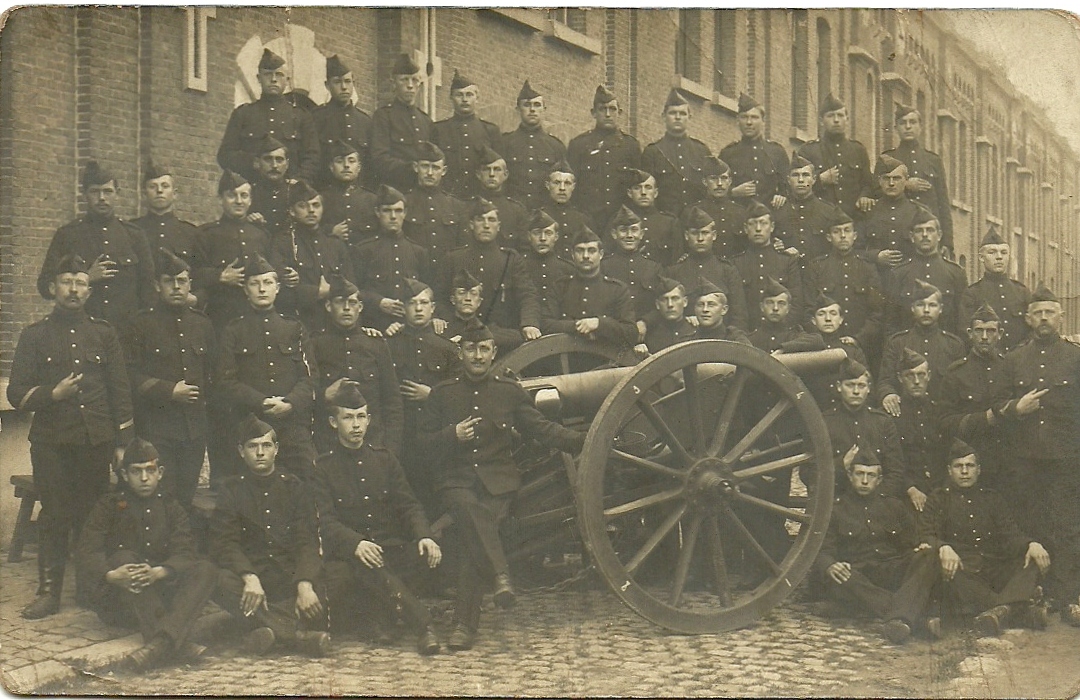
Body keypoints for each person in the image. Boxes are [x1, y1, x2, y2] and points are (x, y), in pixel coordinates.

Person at [418, 320, 585, 650]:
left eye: (484, 349)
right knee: (473, 513)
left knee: (474, 535)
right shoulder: (442, 394)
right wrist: (451, 435)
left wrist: (584, 440)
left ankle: (464, 626)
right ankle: (500, 576)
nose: (477, 356)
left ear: (494, 352)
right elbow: (420, 446)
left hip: (498, 484)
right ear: (460, 353)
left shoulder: (508, 391)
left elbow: (541, 429)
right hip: (456, 483)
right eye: (470, 349)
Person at [8, 254, 134, 618]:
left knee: (92, 517)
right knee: (54, 515)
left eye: (81, 283)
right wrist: (53, 394)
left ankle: (89, 588)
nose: (74, 289)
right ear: (53, 288)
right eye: (67, 282)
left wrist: (123, 443)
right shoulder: (34, 335)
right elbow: (16, 393)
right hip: (52, 442)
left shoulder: (104, 333)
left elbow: (119, 390)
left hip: (95, 440)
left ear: (89, 291)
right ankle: (49, 592)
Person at [314, 382, 442, 655]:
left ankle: (381, 619)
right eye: (348, 417)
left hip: (389, 549)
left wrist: (424, 535)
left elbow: (409, 505)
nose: (356, 425)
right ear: (333, 422)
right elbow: (324, 520)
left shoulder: (385, 460)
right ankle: (424, 626)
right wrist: (355, 543)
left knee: (424, 555)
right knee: (365, 564)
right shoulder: (323, 467)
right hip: (352, 554)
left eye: (361, 416)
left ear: (369, 420)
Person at [75, 438, 218, 669]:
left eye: (150, 471)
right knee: (124, 559)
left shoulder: (171, 506)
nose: (144, 478)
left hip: (160, 593)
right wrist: (111, 575)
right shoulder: (108, 506)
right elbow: (87, 551)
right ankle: (174, 641)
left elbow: (185, 551)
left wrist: (160, 572)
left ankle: (160, 644)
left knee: (206, 569)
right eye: (136, 471)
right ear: (124, 475)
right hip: (120, 601)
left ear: (160, 473)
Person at [210, 415, 330, 656]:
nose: (260, 453)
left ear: (276, 449)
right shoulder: (231, 491)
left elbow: (307, 541)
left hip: (289, 578)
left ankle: (264, 629)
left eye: (266, 445)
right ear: (241, 451)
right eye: (252, 446)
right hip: (253, 583)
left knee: (332, 578)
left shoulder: (294, 487)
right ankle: (296, 637)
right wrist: (249, 577)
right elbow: (226, 543)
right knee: (216, 578)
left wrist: (304, 584)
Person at [995, 285, 1080, 621]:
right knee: (1029, 524)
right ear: (1028, 319)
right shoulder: (1013, 359)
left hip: (1066, 458)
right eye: (1038, 313)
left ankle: (1068, 597)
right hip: (1025, 458)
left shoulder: (1075, 357)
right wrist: (1016, 408)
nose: (1044, 318)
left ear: (1061, 317)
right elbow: (998, 403)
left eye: (1050, 313)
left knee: (1066, 525)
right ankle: (1032, 596)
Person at [918, 439, 1051, 636]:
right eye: (958, 466)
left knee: (1032, 560)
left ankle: (999, 612)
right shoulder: (938, 499)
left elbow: (1010, 534)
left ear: (978, 470)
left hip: (992, 569)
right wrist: (942, 547)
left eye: (970, 466)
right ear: (949, 470)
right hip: (962, 572)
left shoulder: (992, 498)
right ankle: (1017, 610)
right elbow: (925, 534)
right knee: (942, 571)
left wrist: (1031, 544)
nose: (964, 471)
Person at [123, 248, 216, 509]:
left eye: (182, 281)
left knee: (185, 498)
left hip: (193, 429)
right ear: (157, 285)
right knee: (158, 497)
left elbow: (213, 375)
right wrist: (168, 390)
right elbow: (129, 375)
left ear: (190, 284)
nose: (176, 287)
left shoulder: (202, 324)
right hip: (155, 426)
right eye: (169, 281)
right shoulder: (140, 324)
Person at [816, 446, 938, 644]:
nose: (865, 481)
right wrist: (830, 565)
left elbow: (914, 541)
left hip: (890, 572)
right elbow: (822, 550)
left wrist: (921, 548)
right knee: (842, 579)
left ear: (879, 479)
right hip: (858, 576)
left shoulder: (894, 506)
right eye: (860, 474)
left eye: (871, 475)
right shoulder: (836, 509)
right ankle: (912, 617)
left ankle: (894, 616)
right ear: (850, 476)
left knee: (929, 556)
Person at [216, 254, 318, 480]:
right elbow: (226, 381)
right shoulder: (234, 330)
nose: (262, 289)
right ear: (246, 290)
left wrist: (290, 403)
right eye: (255, 283)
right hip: (251, 425)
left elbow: (310, 377)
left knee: (307, 479)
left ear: (277, 288)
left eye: (268, 282)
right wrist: (261, 402)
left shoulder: (294, 328)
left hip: (292, 424)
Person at [38, 161, 155, 330]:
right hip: (80, 330)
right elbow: (45, 286)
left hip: (125, 332)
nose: (101, 198)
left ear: (117, 194)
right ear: (85, 194)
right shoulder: (68, 234)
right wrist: (86, 278)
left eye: (107, 191)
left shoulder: (134, 235)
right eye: (95, 191)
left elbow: (148, 291)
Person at [384, 278, 460, 511]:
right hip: (402, 433)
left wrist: (432, 395)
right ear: (403, 308)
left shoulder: (447, 347)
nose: (418, 309)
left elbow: (460, 393)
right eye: (412, 303)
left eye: (424, 303)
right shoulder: (388, 344)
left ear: (433, 308)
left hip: (436, 433)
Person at [311, 275, 403, 457]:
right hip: (329, 445)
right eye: (340, 302)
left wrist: (390, 451)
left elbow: (392, 401)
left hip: (374, 442)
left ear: (360, 307)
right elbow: (307, 397)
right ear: (328, 306)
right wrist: (324, 395)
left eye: (352, 303)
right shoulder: (315, 345)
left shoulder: (376, 344)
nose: (346, 308)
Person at [440, 197, 543, 344]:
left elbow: (527, 294)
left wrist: (529, 323)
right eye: (480, 220)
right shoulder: (454, 259)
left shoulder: (510, 259)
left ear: (498, 226)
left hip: (501, 336)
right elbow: (440, 297)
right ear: (471, 224)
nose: (486, 225)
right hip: (460, 335)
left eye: (491, 220)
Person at [217, 48, 319, 183]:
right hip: (253, 188)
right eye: (268, 74)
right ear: (259, 78)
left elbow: (312, 156)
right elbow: (225, 155)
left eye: (279, 75)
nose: (273, 79)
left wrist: (299, 181)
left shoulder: (301, 116)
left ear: (287, 79)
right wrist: (253, 162)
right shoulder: (243, 114)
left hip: (289, 188)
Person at [195, 171, 280, 331]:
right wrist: (219, 276)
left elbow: (274, 271)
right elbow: (193, 273)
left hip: (258, 316)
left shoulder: (261, 234)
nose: (239, 201)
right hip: (221, 315)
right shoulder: (207, 234)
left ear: (250, 200)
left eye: (244, 196)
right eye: (232, 195)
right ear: (220, 199)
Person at [938, 305, 1011, 490]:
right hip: (969, 461)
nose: (984, 337)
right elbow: (944, 422)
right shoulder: (956, 372)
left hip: (1006, 461)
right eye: (979, 330)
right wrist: (984, 419)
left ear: (1000, 334)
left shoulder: (1010, 368)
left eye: (990, 331)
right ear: (970, 333)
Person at [803, 207, 884, 359]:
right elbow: (808, 310)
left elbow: (877, 313)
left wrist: (858, 339)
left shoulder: (867, 267)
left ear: (855, 236)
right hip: (824, 347)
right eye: (836, 231)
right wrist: (823, 341)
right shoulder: (817, 267)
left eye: (847, 231)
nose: (842, 236)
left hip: (861, 346)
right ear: (829, 237)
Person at [274, 180, 356, 327]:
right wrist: (317, 292)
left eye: (316, 205)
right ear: (292, 211)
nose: (311, 210)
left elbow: (351, 288)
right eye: (303, 206)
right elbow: (278, 291)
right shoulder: (283, 243)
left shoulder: (335, 244)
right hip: (298, 321)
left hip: (333, 324)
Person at [877, 280, 965, 414]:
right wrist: (888, 394)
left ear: (941, 309)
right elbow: (885, 380)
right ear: (912, 308)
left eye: (932, 305)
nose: (926, 310)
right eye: (920, 305)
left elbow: (961, 385)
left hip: (941, 415)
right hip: (906, 414)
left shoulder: (953, 345)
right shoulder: (897, 342)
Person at [820, 358, 904, 498]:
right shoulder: (825, 423)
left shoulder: (883, 422)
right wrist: (841, 464)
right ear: (839, 386)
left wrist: (877, 500)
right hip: (839, 502)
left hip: (877, 501)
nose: (856, 391)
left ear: (869, 388)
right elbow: (809, 473)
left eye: (861, 385)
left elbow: (895, 471)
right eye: (850, 385)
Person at [541, 227, 637, 349]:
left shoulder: (617, 289)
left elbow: (631, 332)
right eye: (580, 251)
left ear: (601, 254)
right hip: (567, 354)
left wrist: (599, 324)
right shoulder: (560, 287)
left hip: (606, 357)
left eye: (591, 251)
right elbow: (545, 324)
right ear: (572, 255)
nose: (585, 256)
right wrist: (578, 326)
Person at [353, 185, 433, 330]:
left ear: (405, 213)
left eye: (398, 210)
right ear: (377, 212)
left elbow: (428, 291)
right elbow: (354, 289)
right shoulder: (364, 250)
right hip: (373, 325)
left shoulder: (418, 251)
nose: (393, 216)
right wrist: (378, 302)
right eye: (387, 210)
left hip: (409, 327)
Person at [883, 204, 967, 335]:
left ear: (939, 235)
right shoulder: (899, 273)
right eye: (919, 231)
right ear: (912, 236)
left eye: (930, 230)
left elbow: (962, 321)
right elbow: (890, 322)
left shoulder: (956, 273)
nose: (925, 235)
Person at [567, 84, 642, 227]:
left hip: (622, 223)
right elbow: (572, 186)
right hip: (588, 222)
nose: (608, 114)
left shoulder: (631, 146)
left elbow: (638, 187)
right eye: (602, 109)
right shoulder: (579, 145)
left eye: (612, 109)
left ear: (620, 112)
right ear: (593, 113)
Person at [665, 206, 749, 331]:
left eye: (705, 233)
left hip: (721, 337)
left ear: (714, 235)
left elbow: (739, 315)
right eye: (695, 233)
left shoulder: (727, 270)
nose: (700, 239)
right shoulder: (674, 272)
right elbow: (667, 312)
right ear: (686, 235)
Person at [883, 105, 953, 254]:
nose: (908, 127)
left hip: (928, 235)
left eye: (913, 122)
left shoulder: (933, 160)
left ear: (920, 127)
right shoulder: (887, 159)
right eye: (903, 123)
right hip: (898, 234)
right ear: (896, 128)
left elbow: (943, 202)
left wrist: (947, 242)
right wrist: (904, 184)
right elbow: (877, 192)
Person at [797, 93, 875, 220]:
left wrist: (864, 196)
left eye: (840, 115)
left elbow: (868, 184)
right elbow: (796, 187)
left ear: (847, 119)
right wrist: (820, 180)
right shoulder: (808, 150)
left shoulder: (858, 150)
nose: (836, 120)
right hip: (819, 219)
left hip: (852, 219)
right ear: (821, 121)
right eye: (830, 116)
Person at [731, 201, 803, 331]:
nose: (758, 229)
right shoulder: (736, 263)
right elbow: (736, 307)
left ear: (772, 227)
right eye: (753, 224)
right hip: (748, 334)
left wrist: (782, 332)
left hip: (782, 333)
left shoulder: (787, 261)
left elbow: (796, 303)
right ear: (746, 228)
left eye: (763, 223)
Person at [958, 225, 1031, 350]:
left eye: (1004, 252)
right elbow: (965, 332)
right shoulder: (972, 293)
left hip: (1019, 358)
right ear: (981, 257)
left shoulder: (1022, 292)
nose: (999, 257)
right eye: (992, 252)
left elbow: (1033, 329)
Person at [432, 70, 502, 199]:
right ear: (451, 98)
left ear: (477, 98)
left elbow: (499, 169)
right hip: (447, 197)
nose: (464, 100)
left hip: (479, 198)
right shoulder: (438, 130)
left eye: (469, 95)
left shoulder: (490, 131)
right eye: (459, 95)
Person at [891, 349, 947, 514]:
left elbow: (947, 453)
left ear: (929, 376)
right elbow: (891, 461)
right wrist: (910, 488)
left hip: (940, 491)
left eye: (921, 375)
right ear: (900, 378)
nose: (916, 381)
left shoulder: (939, 411)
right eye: (910, 375)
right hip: (906, 494)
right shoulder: (891, 416)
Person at [641, 89, 712, 216]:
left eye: (682, 113)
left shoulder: (701, 151)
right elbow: (646, 192)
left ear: (689, 117)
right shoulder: (653, 152)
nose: (678, 117)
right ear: (664, 116)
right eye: (673, 113)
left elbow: (710, 189)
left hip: (696, 220)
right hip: (665, 219)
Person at [369, 53, 433, 192]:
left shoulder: (425, 120)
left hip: (421, 193)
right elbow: (379, 158)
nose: (410, 85)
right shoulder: (384, 116)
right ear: (394, 84)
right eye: (404, 80)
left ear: (419, 85)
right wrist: (412, 169)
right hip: (394, 191)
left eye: (414, 80)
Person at [501, 80, 566, 212]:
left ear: (544, 109)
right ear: (518, 109)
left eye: (537, 105)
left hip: (545, 213)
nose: (532, 110)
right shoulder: (505, 142)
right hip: (512, 211)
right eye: (527, 105)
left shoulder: (555, 146)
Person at [719, 93, 789, 209]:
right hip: (738, 215)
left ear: (763, 121)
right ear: (737, 120)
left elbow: (788, 188)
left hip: (770, 216)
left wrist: (781, 196)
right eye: (744, 117)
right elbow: (715, 189)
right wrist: (733, 192)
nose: (749, 122)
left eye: (754, 117)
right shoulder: (728, 153)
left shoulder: (777, 152)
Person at [311, 55, 371, 185]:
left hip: (358, 191)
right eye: (337, 82)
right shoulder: (316, 118)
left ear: (354, 84)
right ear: (327, 85)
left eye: (348, 81)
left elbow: (369, 163)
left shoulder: (365, 121)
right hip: (325, 189)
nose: (344, 87)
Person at [403, 141, 468, 261]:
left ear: (444, 171)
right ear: (416, 167)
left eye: (435, 167)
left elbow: (462, 249)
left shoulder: (457, 206)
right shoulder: (404, 203)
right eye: (425, 166)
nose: (430, 173)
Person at [133, 160, 201, 273]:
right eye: (152, 186)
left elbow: (198, 273)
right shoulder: (132, 230)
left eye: (165, 186)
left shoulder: (191, 233)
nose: (159, 191)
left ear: (174, 194)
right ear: (144, 194)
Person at [600, 205, 664, 324]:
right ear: (614, 234)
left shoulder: (654, 268)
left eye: (634, 230)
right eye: (623, 230)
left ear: (641, 234)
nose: (629, 235)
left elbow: (662, 302)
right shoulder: (603, 267)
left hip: (648, 330)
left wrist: (646, 322)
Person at [858, 155, 921, 272]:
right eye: (886, 178)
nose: (891, 183)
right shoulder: (868, 211)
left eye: (896, 178)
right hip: (876, 277)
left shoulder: (918, 211)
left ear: (906, 181)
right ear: (879, 181)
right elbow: (854, 250)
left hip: (909, 277)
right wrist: (875, 256)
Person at [681, 156, 747, 260]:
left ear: (730, 181)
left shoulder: (741, 212)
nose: (719, 183)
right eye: (713, 178)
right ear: (704, 181)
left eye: (724, 178)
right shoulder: (691, 212)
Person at [443, 269, 525, 351]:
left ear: (479, 302)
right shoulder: (443, 327)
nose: (468, 298)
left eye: (473, 293)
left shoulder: (485, 326)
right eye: (462, 293)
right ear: (453, 299)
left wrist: (469, 337)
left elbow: (517, 337)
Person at [318, 139, 379, 246]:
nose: (346, 165)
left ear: (359, 168)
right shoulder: (321, 199)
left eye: (351, 161)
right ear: (331, 167)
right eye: (339, 161)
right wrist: (330, 231)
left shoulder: (372, 199)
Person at [473, 145, 530, 249]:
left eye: (497, 169)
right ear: (478, 174)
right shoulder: (466, 206)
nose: (491, 174)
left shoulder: (517, 210)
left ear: (505, 175)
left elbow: (524, 248)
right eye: (486, 169)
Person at [747, 277, 824, 354]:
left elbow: (818, 341)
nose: (775, 308)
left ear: (788, 308)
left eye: (781, 303)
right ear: (762, 307)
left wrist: (783, 349)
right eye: (770, 303)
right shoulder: (751, 340)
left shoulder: (795, 336)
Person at [624, 168, 680, 266]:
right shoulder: (618, 221)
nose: (643, 192)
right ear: (629, 193)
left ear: (655, 193)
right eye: (637, 188)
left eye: (648, 187)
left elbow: (677, 261)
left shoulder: (670, 222)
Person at [539, 159, 593, 257]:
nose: (562, 188)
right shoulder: (538, 216)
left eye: (567, 183)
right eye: (556, 183)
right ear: (547, 185)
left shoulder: (583, 218)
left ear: (573, 187)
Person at [519, 208, 574, 304]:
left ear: (556, 237)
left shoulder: (568, 269)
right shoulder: (519, 267)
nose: (543, 238)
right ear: (529, 236)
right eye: (537, 233)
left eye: (548, 233)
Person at [246, 134, 295, 240]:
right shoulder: (249, 193)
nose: (274, 165)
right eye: (268, 159)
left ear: (287, 164)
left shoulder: (295, 191)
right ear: (257, 162)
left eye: (279, 160)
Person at [639, 277, 696, 355]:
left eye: (675, 298)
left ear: (685, 302)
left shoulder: (695, 329)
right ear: (657, 304)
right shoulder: (649, 334)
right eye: (664, 299)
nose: (670, 305)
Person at [691, 278, 751, 343]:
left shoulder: (735, 340)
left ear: (724, 310)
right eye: (700, 305)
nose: (705, 309)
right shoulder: (689, 339)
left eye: (711, 305)